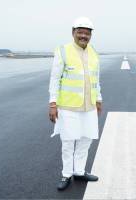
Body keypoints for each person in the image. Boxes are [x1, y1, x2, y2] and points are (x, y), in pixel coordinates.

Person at [48, 17, 102, 190]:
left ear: (91, 35)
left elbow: (96, 79)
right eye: (80, 32)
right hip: (69, 106)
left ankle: (79, 171)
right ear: (73, 33)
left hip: (89, 106)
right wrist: (52, 103)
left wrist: (98, 99)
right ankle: (66, 174)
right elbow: (55, 79)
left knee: (86, 139)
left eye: (87, 33)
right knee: (68, 141)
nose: (83, 36)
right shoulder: (63, 50)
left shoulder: (93, 52)